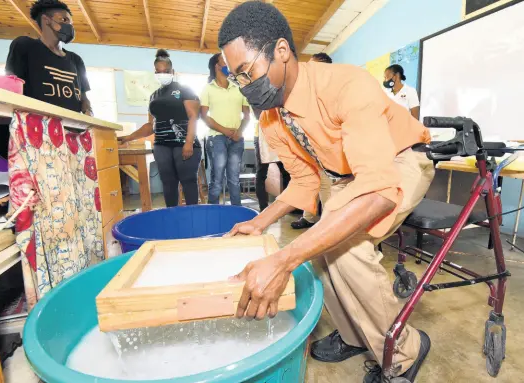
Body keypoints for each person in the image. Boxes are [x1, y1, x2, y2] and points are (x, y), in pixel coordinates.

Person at [218, 2, 434, 382]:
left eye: (248, 72)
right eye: (237, 78)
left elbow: (380, 188)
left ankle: (403, 349)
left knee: (346, 247)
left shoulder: (346, 83)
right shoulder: (272, 118)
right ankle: (355, 334)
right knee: (321, 245)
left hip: (400, 160)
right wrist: (259, 222)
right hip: (349, 176)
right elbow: (303, 182)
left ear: (281, 51)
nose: (245, 85)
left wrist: (283, 261)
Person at [118, 49, 202, 207]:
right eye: (159, 71)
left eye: (166, 71)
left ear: (173, 71)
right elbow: (150, 126)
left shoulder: (185, 90)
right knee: (168, 183)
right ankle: (172, 216)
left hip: (183, 144)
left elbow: (193, 116)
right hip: (162, 145)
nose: (163, 74)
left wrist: (189, 142)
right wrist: (129, 137)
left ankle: (192, 216)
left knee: (188, 181)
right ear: (155, 73)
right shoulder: (153, 96)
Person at [5, 0, 92, 115]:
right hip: (37, 127)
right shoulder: (24, 46)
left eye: (71, 23)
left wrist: (88, 112)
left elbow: (83, 97)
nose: (69, 26)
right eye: (64, 20)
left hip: (73, 128)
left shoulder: (76, 60)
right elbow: (12, 87)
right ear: (46, 20)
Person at [201, 53, 251, 206]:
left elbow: (247, 115)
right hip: (217, 138)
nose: (229, 65)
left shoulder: (239, 88)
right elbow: (204, 116)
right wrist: (225, 131)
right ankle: (212, 212)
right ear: (217, 66)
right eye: (225, 62)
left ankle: (237, 214)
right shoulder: (208, 89)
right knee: (217, 179)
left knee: (234, 179)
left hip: (237, 139)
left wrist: (239, 132)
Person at [290, 52, 333, 230]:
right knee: (311, 181)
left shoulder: (330, 89)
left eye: (311, 65)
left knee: (324, 184)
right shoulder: (310, 89)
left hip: (327, 147)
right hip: (311, 145)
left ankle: (330, 221)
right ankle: (309, 217)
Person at [254, 117, 290, 212]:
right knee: (261, 174)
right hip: (262, 136)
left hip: (279, 135)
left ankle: (288, 206)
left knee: (287, 173)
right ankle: (263, 208)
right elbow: (257, 114)